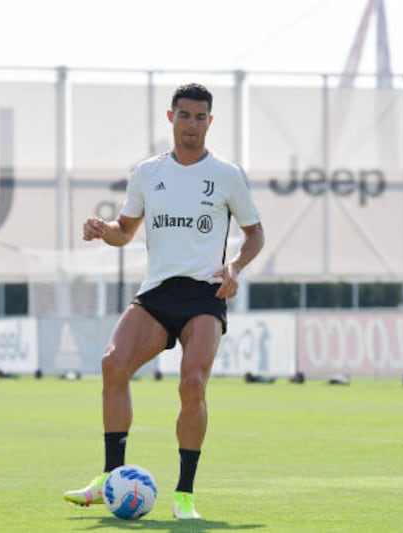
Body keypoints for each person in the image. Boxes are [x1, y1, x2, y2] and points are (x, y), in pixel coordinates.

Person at [63, 83, 264, 520]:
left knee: (192, 383)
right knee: (112, 363)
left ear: (210, 122)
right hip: (156, 292)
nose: (192, 124)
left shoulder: (228, 175)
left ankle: (184, 495)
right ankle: (109, 479)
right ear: (170, 118)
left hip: (203, 294)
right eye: (184, 115)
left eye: (200, 117)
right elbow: (124, 231)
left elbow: (255, 235)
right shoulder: (147, 173)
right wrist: (104, 230)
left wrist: (234, 268)